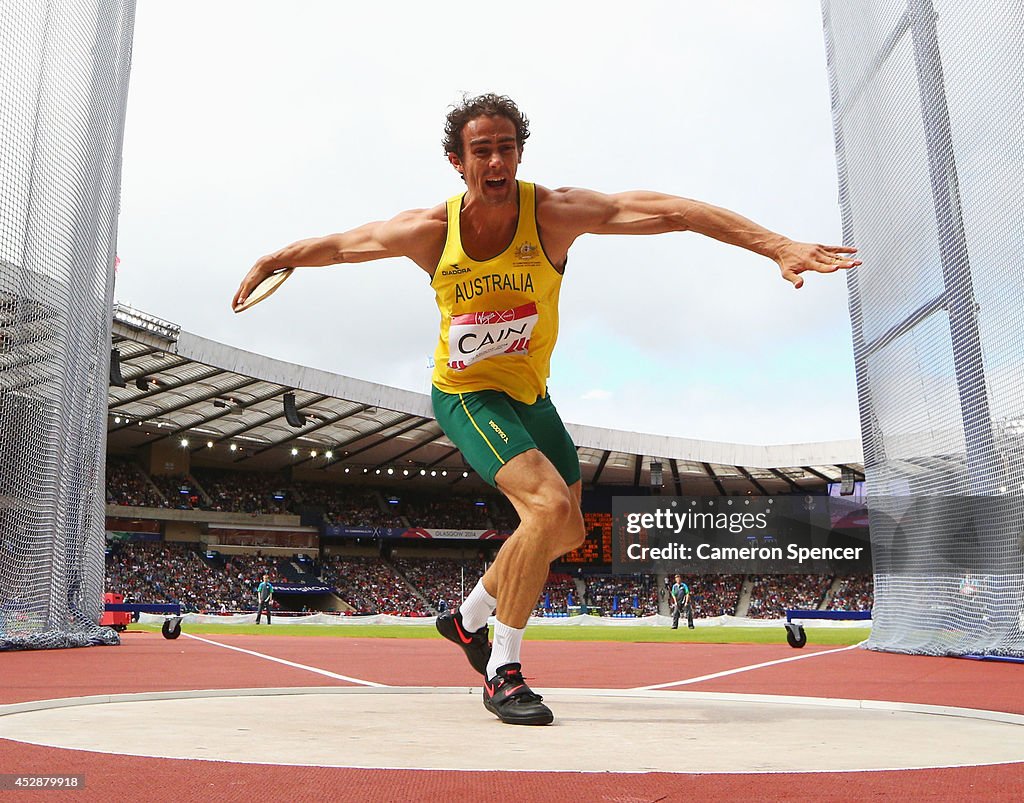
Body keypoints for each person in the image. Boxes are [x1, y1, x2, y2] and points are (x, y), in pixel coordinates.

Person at [233, 93, 858, 725]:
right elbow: (344, 246)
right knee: (548, 507)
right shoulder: (429, 231)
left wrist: (775, 245)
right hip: (467, 394)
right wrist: (275, 257)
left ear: (520, 153)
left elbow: (672, 212)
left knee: (566, 532)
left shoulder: (552, 215)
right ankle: (501, 667)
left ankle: (466, 616)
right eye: (483, 150)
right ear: (458, 161)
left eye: (507, 147)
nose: (497, 160)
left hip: (531, 398)